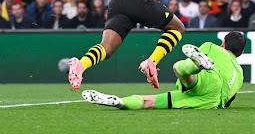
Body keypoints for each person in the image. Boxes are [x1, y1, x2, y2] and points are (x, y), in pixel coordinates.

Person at [83, 31, 245, 110]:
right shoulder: (240, 73)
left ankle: (194, 65)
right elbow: (229, 100)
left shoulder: (212, 47)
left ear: (223, 43)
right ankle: (120, 102)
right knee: (154, 102)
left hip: (208, 80)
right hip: (212, 101)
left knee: (179, 68)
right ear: (241, 53)